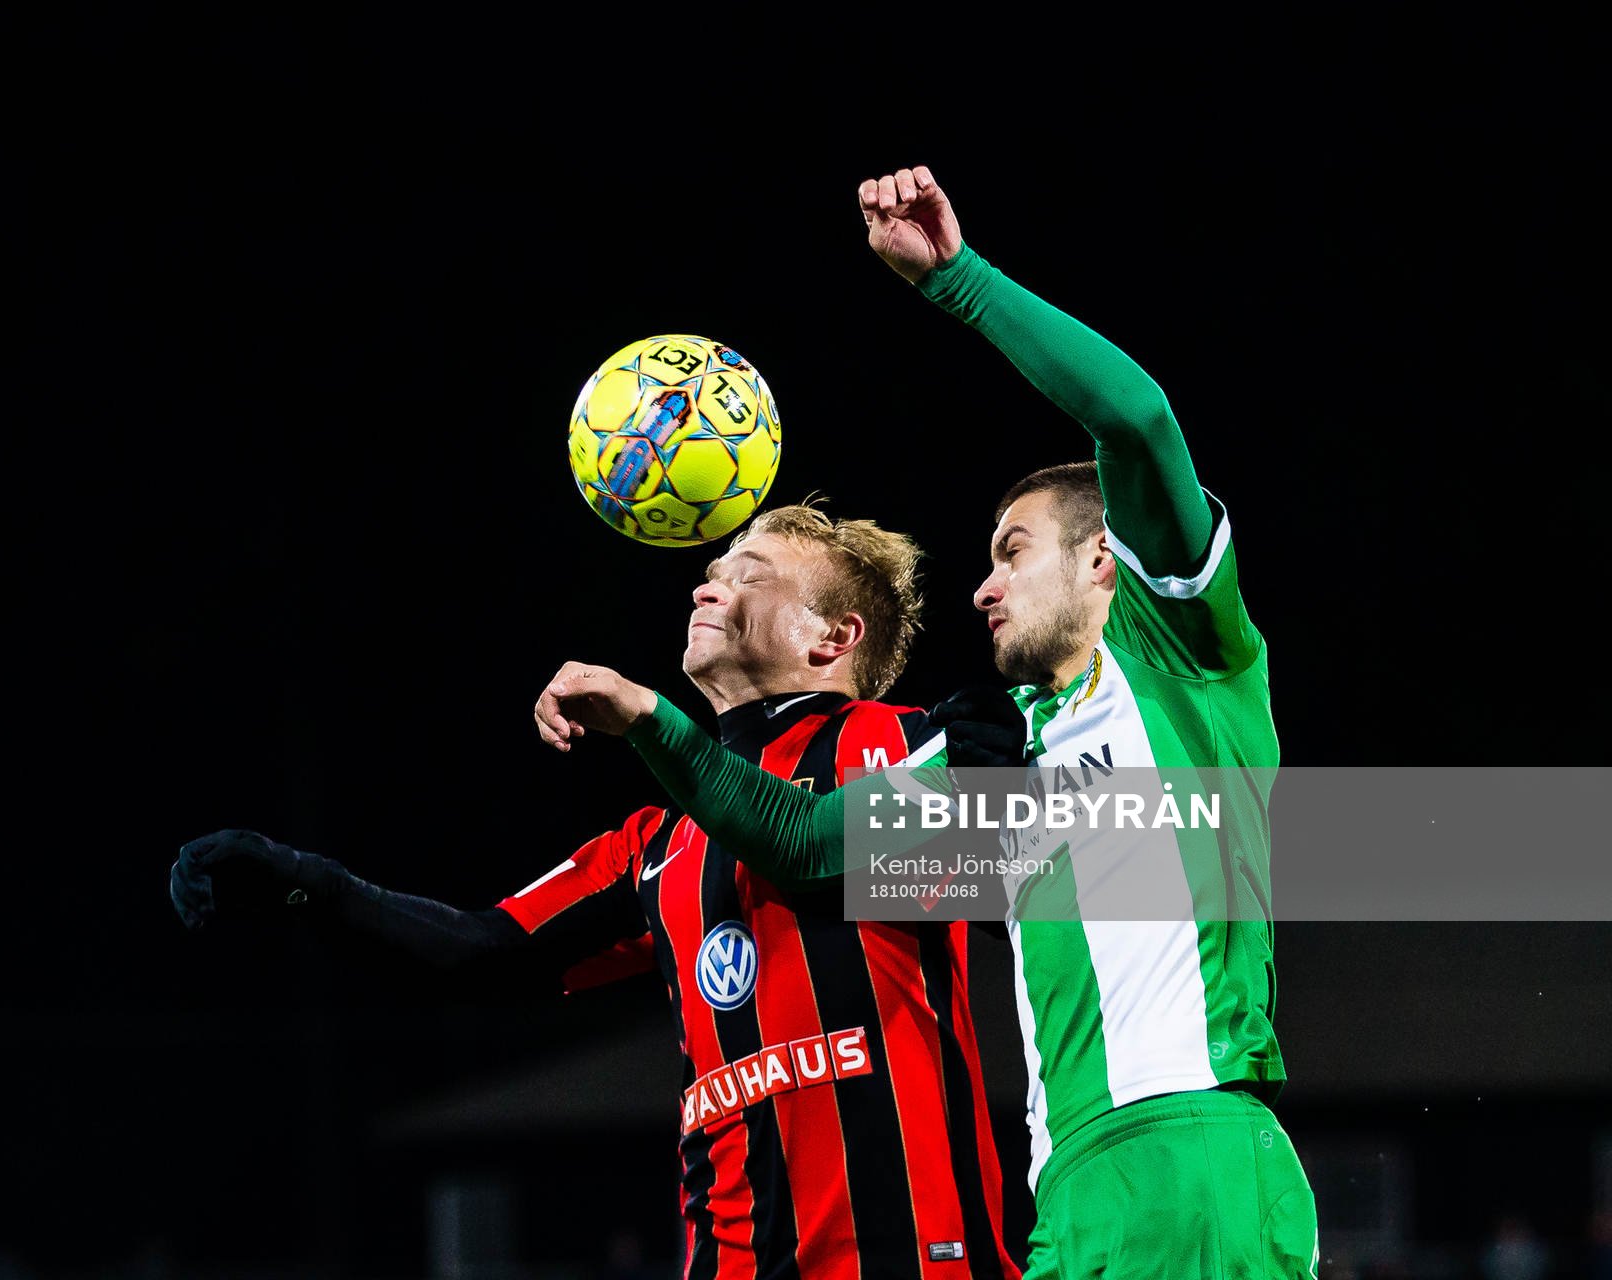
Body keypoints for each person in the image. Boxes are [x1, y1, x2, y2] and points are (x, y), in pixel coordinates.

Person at [533, 166, 1319, 1278]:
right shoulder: (999, 751)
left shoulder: (1182, 656)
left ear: (1107, 558)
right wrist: (651, 720)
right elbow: (807, 847)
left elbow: (1135, 417)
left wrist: (959, 282)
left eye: (1013, 552)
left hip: (1192, 1150)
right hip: (1072, 1191)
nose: (984, 589)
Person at [172, 504, 1022, 1280]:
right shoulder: (657, 846)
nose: (708, 582)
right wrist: (299, 883)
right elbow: (482, 954)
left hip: (915, 1256)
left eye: (750, 572)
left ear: (833, 637)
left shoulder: (908, 742)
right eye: (713, 571)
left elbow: (1069, 884)